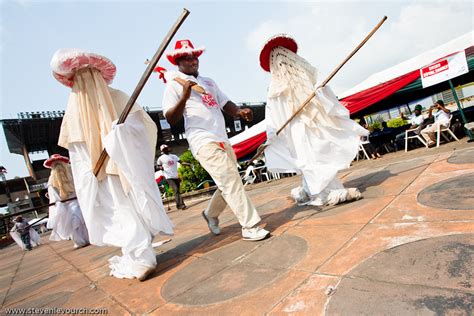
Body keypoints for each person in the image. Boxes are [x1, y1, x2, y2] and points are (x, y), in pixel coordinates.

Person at [51, 49, 174, 281]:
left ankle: (142, 255)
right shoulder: (73, 111)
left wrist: (120, 135)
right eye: (80, 76)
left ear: (99, 75)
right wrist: (90, 175)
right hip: (101, 177)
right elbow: (78, 156)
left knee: (133, 207)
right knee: (118, 212)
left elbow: (142, 129)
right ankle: (139, 256)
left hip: (125, 168)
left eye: (91, 74)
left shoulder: (118, 98)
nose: (87, 81)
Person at [161, 39, 269, 241]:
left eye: (194, 57)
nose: (192, 61)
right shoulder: (174, 85)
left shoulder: (209, 82)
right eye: (186, 58)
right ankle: (250, 226)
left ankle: (210, 214)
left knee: (230, 181)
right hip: (202, 139)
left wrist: (239, 111)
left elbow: (224, 103)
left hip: (222, 138)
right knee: (229, 180)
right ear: (178, 62)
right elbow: (170, 118)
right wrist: (184, 96)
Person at [260, 34, 367, 206]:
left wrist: (321, 91)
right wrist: (272, 134)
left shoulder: (304, 81)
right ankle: (325, 192)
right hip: (295, 131)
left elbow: (318, 100)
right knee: (309, 160)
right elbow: (272, 118)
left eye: (284, 56)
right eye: (277, 58)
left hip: (311, 125)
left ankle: (314, 190)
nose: (282, 62)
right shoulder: (274, 89)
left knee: (318, 155)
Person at [44, 154, 89, 249]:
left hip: (78, 200)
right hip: (66, 205)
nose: (58, 166)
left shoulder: (72, 172)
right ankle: (80, 241)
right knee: (74, 223)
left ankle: (87, 238)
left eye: (59, 163)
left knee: (81, 220)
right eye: (55, 164)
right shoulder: (52, 180)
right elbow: (54, 196)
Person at [157, 144, 186, 210]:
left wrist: (187, 164)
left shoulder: (174, 156)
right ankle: (181, 205)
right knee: (176, 189)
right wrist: (160, 167)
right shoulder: (160, 158)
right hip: (168, 176)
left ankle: (178, 205)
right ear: (162, 151)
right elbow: (158, 165)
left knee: (178, 190)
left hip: (176, 176)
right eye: (164, 149)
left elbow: (181, 162)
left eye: (166, 148)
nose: (166, 150)